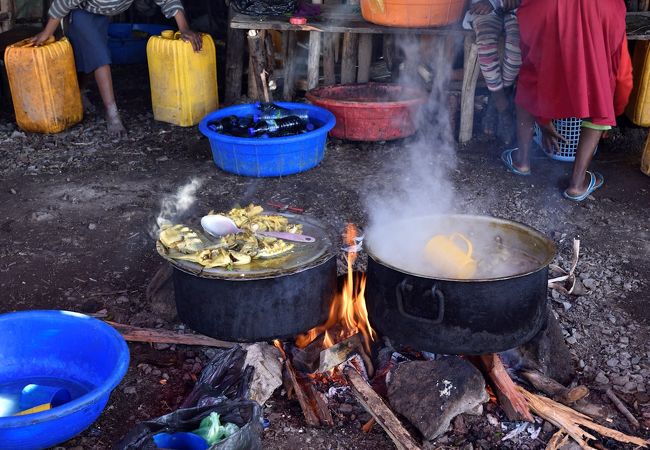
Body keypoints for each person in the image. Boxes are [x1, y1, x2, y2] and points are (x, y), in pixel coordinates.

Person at [502, 0, 633, 201]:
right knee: (601, 88)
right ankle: (577, 183)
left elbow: (536, 66)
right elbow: (622, 76)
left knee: (529, 78)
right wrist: (612, 115)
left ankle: (522, 161)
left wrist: (543, 119)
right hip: (602, 8)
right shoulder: (611, 10)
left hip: (545, 7)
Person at [30, 0, 203, 137]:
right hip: (80, 13)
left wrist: (184, 28)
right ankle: (112, 114)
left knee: (86, 58)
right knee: (100, 56)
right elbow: (62, 4)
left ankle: (80, 92)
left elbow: (167, 1)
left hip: (103, 16)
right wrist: (47, 33)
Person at [463, 0, 522, 145]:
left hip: (519, 8)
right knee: (486, 44)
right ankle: (503, 109)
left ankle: (497, 102)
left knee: (516, 52)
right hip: (484, 8)